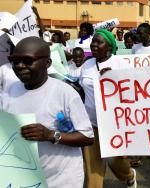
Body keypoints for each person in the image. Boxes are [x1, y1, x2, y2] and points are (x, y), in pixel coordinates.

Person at [1, 36, 94, 188]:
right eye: (14, 60)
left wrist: (51, 135)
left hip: (62, 179)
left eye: (27, 60)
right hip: (24, 179)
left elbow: (87, 138)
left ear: (47, 63)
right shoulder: (10, 91)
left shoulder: (65, 93)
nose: (19, 66)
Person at [79, 29, 136, 188]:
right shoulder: (87, 64)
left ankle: (129, 175)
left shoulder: (121, 64)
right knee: (93, 169)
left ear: (109, 47)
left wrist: (115, 79)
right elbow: (82, 90)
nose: (94, 45)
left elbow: (135, 93)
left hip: (115, 126)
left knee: (115, 161)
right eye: (93, 41)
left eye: (99, 42)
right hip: (92, 124)